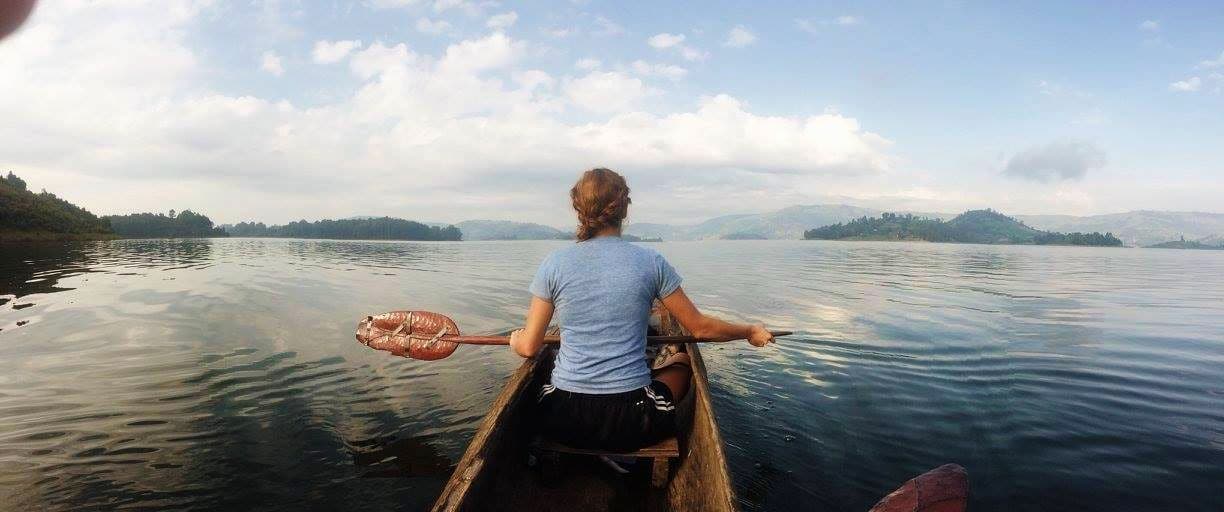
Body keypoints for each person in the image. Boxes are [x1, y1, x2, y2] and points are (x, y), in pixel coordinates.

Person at [509, 168, 775, 452]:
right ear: (624, 208)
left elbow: (529, 347)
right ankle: (659, 372)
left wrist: (516, 340)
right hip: (632, 421)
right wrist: (749, 331)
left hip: (562, 418)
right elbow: (700, 328)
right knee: (683, 364)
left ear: (578, 209)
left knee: (546, 387)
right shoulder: (650, 260)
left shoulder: (554, 263)